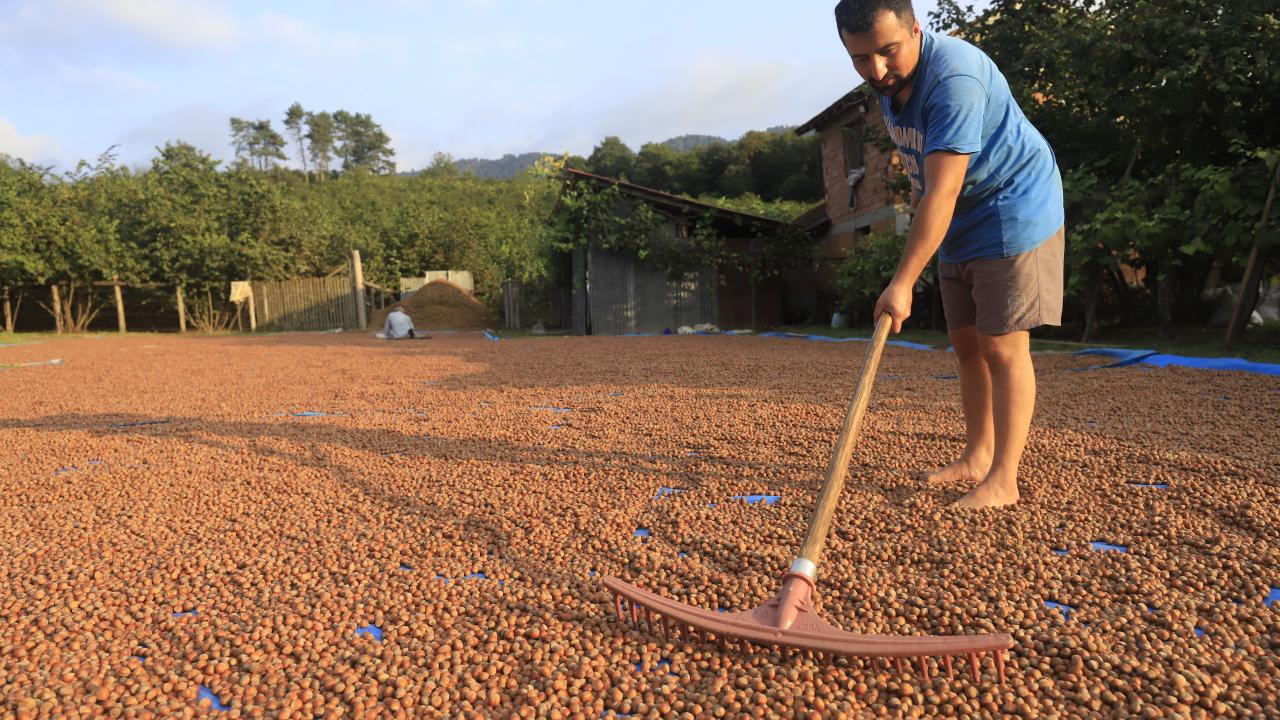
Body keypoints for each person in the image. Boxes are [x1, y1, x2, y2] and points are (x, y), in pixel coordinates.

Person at [833, 0, 1065, 508]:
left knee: (1002, 344)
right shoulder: (889, 86)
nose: (875, 70)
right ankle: (978, 455)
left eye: (888, 52)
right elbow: (927, 180)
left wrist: (901, 281)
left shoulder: (954, 78)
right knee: (965, 342)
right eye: (859, 58)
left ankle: (1004, 478)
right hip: (957, 211)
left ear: (916, 29)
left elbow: (943, 191)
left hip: (1011, 204)